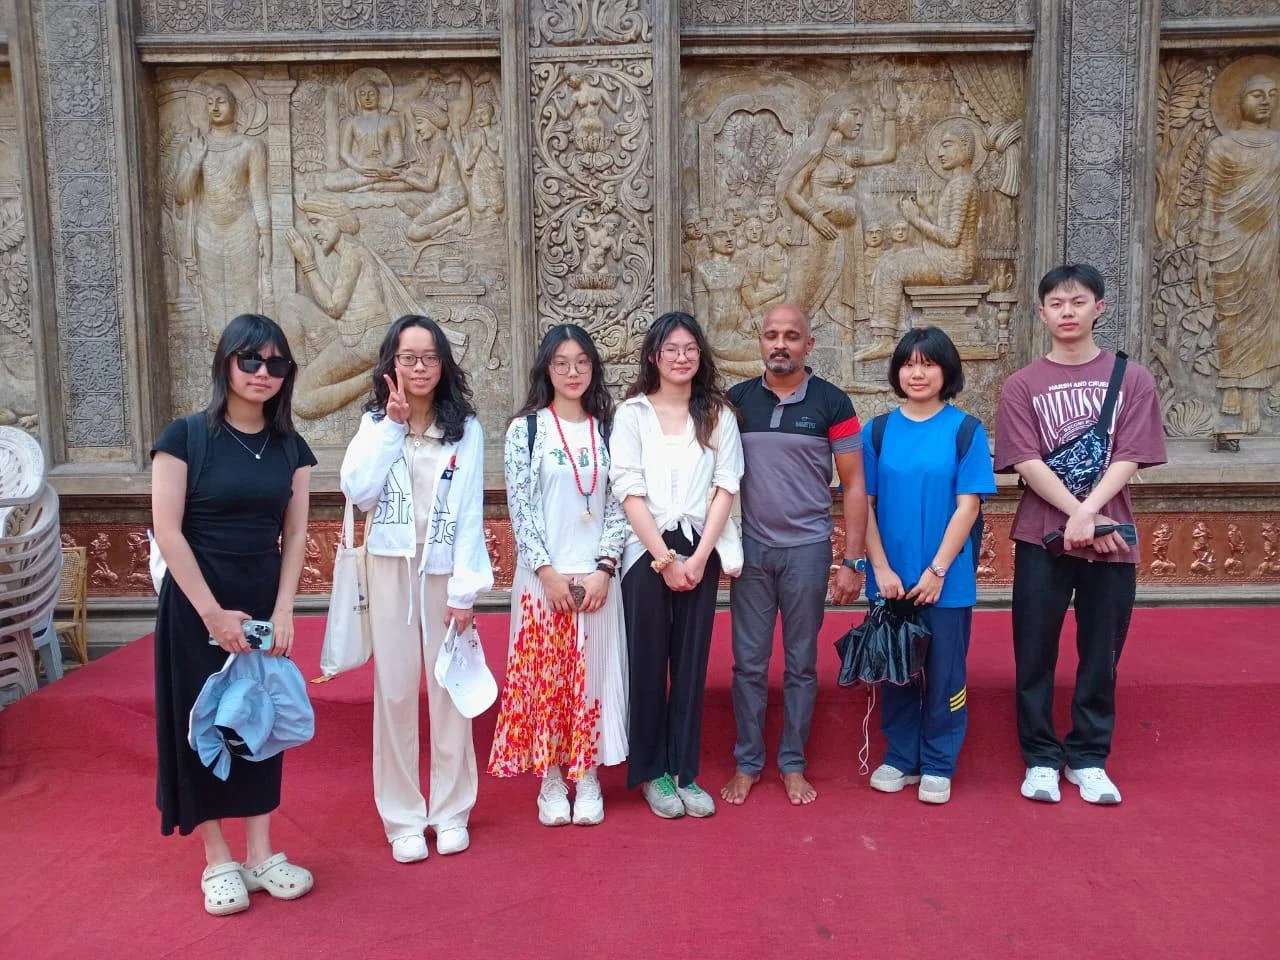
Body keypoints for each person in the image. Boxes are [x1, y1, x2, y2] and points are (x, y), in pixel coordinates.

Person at [150, 313, 316, 915]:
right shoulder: (185, 436)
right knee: (204, 724)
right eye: (251, 360)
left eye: (276, 364)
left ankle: (263, 852)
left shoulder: (290, 447)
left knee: (262, 721)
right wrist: (214, 615)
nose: (263, 373)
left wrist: (284, 609)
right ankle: (217, 858)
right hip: (197, 603)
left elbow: (295, 534)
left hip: (262, 597)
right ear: (227, 363)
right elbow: (167, 531)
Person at [995, 264, 1166, 805]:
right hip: (1041, 537)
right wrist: (1076, 514)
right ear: (1040, 312)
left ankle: (1089, 757)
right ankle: (1041, 757)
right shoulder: (1022, 385)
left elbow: (1131, 456)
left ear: (1100, 308)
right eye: (1057, 303)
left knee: (1101, 651)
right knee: (1035, 649)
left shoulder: (1132, 378)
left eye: (1078, 301)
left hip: (1112, 537)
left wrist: (1088, 514)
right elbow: (1023, 459)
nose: (1067, 312)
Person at [339, 314, 493, 862]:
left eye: (429, 357)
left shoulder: (465, 429)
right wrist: (391, 427)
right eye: (408, 357)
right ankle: (403, 816)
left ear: (444, 364)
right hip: (390, 569)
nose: (420, 367)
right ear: (391, 364)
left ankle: (451, 810)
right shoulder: (376, 424)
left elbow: (471, 511)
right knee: (397, 691)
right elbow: (358, 492)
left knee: (449, 691)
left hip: (443, 570)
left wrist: (464, 592)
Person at [720, 303, 867, 807]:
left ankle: (793, 763)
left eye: (791, 336)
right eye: (770, 335)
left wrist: (853, 561)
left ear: (809, 343)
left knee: (802, 664)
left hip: (807, 551)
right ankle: (747, 762)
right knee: (748, 665)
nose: (780, 344)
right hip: (752, 552)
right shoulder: (735, 402)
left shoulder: (832, 402)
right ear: (758, 342)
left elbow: (853, 486)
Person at [488, 325, 628, 826]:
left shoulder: (611, 428)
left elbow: (623, 503)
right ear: (546, 368)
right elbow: (520, 509)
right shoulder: (526, 430)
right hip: (541, 579)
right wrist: (546, 572)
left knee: (590, 677)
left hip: (598, 580)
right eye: (562, 363)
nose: (573, 372)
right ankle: (551, 778)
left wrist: (604, 569)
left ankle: (587, 776)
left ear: (595, 369)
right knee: (547, 680)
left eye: (583, 362)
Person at [610, 311, 744, 819]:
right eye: (671, 349)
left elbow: (727, 484)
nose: (682, 357)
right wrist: (665, 560)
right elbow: (627, 489)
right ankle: (652, 773)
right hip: (645, 551)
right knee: (646, 662)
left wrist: (701, 556)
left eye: (690, 348)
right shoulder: (632, 414)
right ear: (653, 357)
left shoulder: (718, 415)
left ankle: (684, 769)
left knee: (690, 664)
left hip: (700, 546)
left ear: (700, 356)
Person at [862, 326, 995, 805]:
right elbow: (864, 505)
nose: (917, 373)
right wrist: (879, 569)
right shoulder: (876, 430)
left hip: (946, 580)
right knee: (895, 668)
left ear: (946, 372)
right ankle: (901, 756)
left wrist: (937, 571)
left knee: (944, 674)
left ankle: (939, 761)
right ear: (898, 372)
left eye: (928, 364)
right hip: (891, 579)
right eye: (908, 364)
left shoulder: (965, 430)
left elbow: (968, 507)